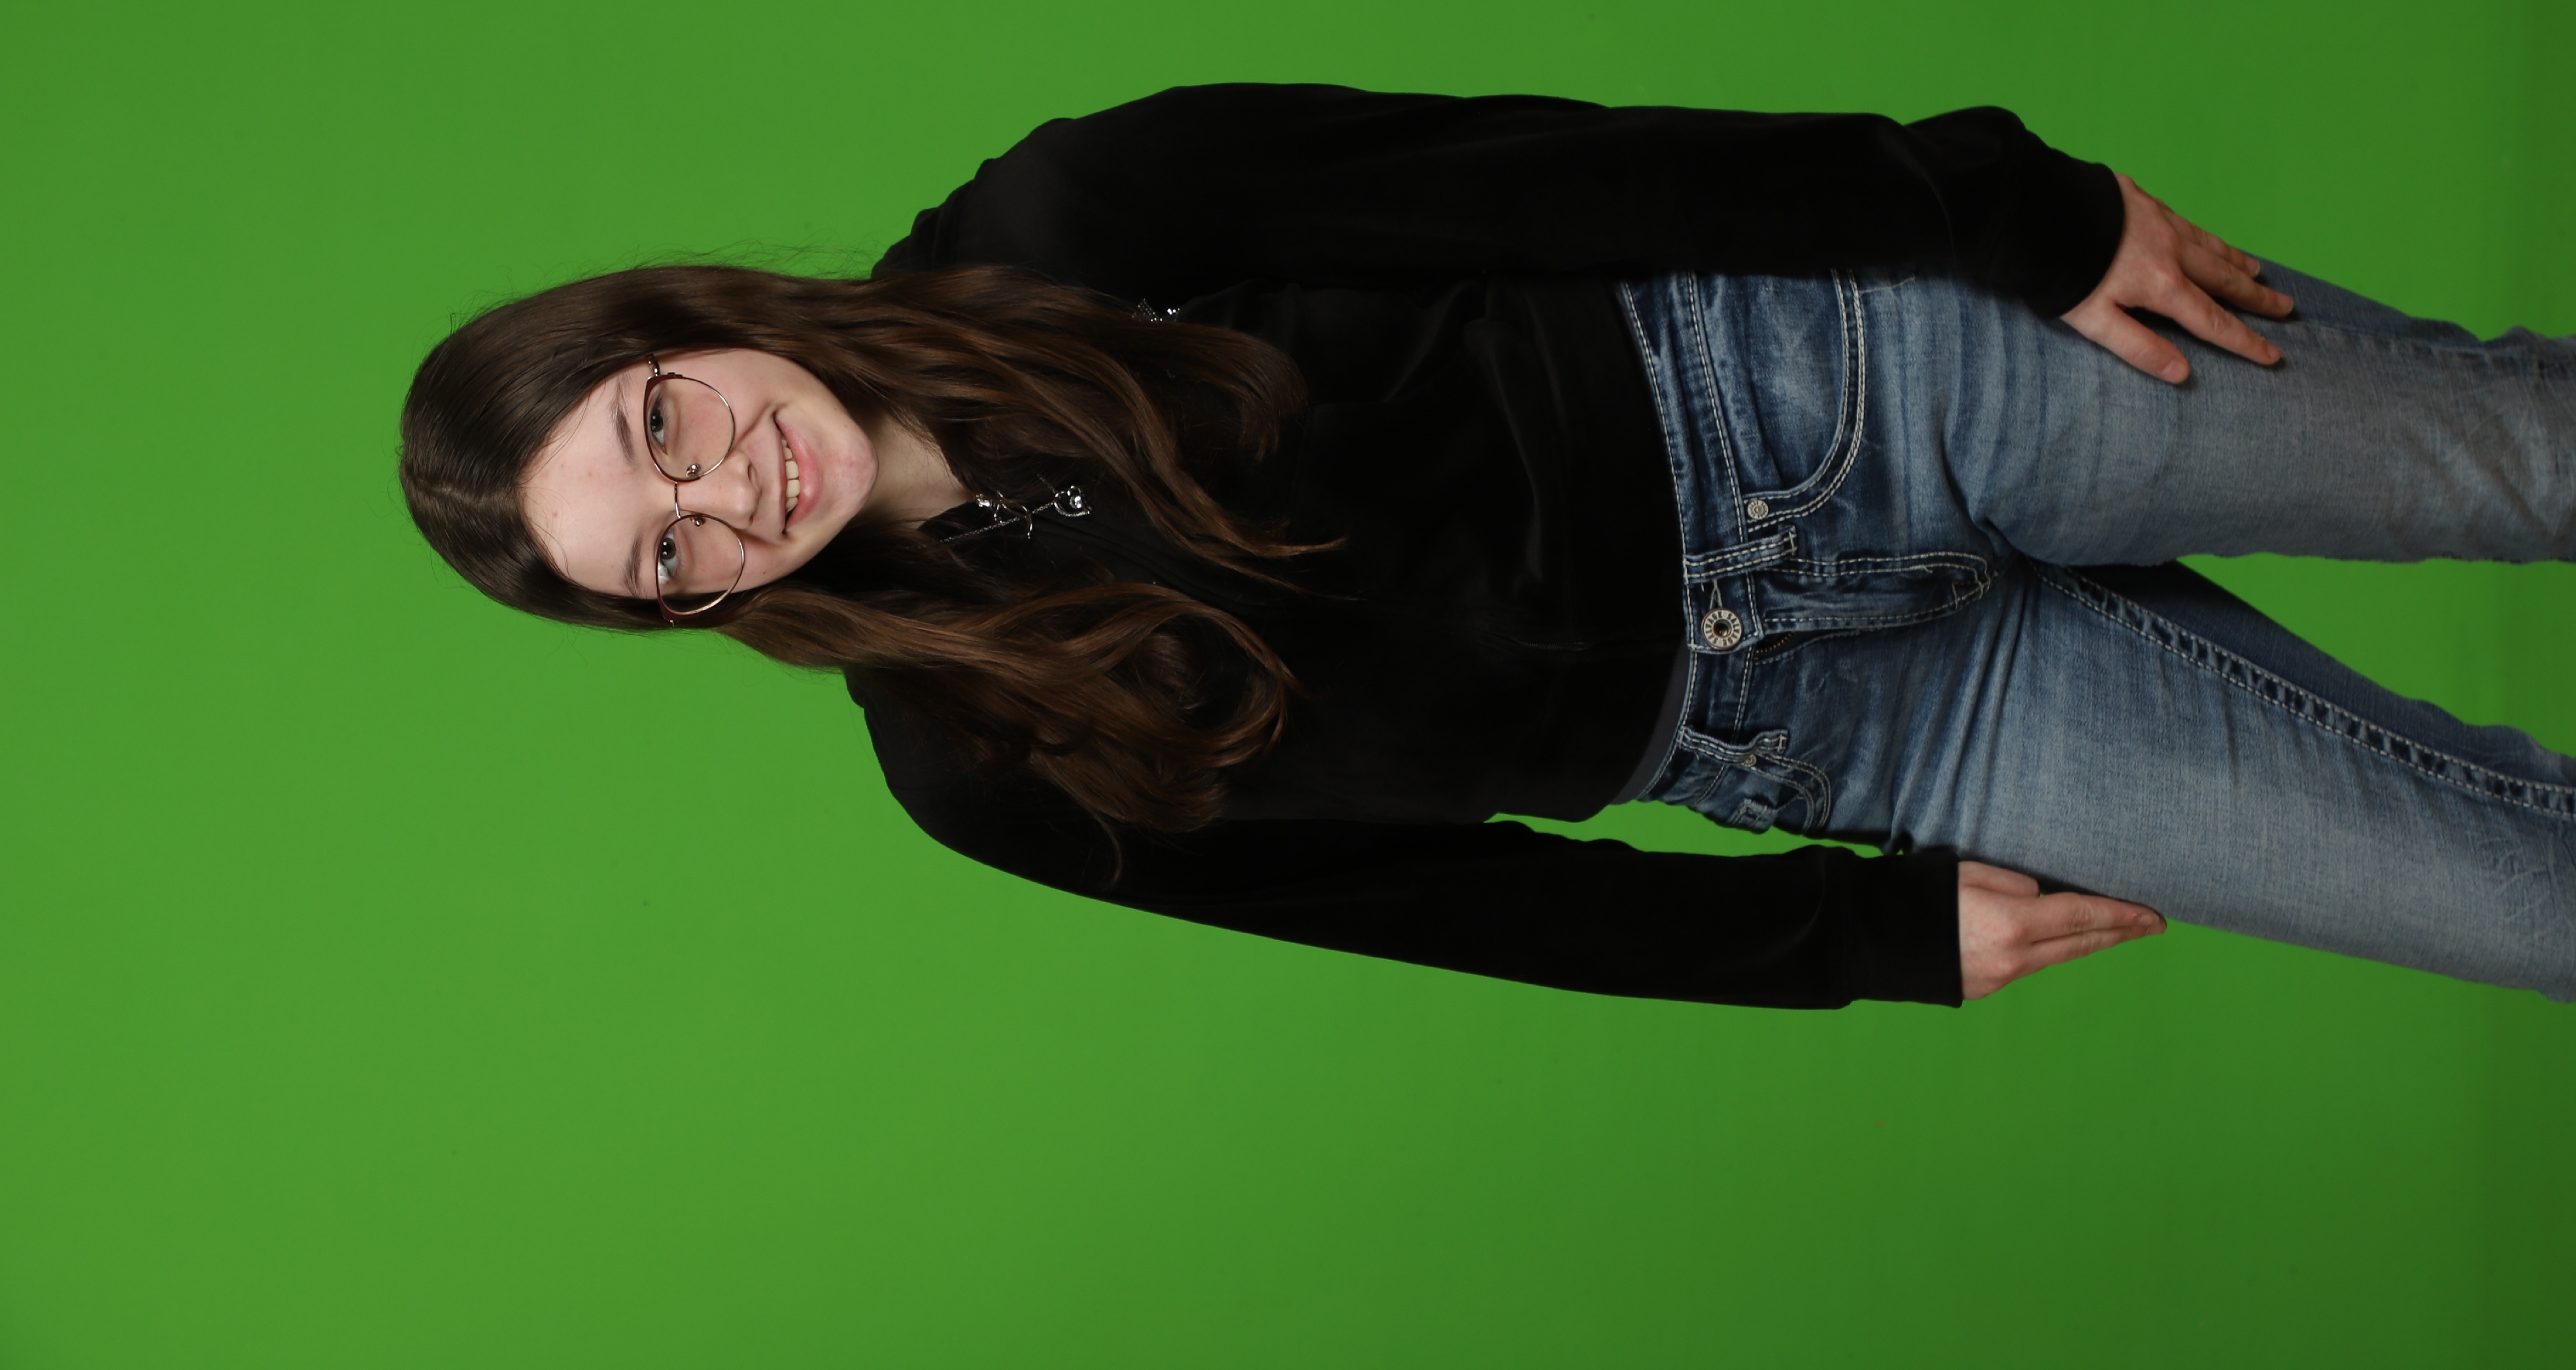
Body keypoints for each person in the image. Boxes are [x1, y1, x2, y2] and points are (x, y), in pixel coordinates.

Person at [399, 82, 2576, 1009]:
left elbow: (1546, 173)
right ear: (695, 611)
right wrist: (1852, 938)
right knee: (2530, 906)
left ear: (681, 324)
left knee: (2530, 468)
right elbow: (1439, 905)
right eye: (665, 556)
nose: (724, 496)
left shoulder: (1073, 217)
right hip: (1860, 733)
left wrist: (2004, 208)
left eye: (660, 423)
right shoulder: (976, 766)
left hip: (1865, 393)